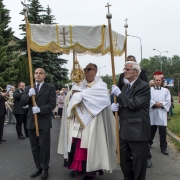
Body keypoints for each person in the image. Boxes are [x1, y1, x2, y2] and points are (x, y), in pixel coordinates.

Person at [57, 63, 117, 180]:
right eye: (85, 69)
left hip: (93, 121)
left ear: (95, 71)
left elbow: (102, 99)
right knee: (76, 145)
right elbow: (70, 98)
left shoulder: (100, 85)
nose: (86, 71)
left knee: (90, 147)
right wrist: (73, 94)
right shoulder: (79, 85)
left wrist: (79, 95)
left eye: (89, 69)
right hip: (78, 121)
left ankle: (90, 172)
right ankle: (77, 168)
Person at [111, 61, 151, 180]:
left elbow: (134, 104)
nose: (124, 71)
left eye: (127, 69)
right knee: (124, 161)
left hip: (138, 132)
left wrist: (119, 94)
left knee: (139, 164)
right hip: (124, 131)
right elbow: (123, 105)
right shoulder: (125, 88)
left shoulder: (143, 86)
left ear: (136, 72)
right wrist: (115, 109)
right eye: (124, 69)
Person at [21, 68, 56, 180]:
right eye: (36, 73)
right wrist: (28, 96)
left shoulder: (50, 88)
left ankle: (45, 168)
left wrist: (40, 109)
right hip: (32, 122)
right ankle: (38, 167)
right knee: (34, 147)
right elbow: (22, 102)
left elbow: (52, 104)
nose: (38, 75)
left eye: (40, 73)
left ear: (44, 76)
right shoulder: (29, 88)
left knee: (44, 146)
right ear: (34, 75)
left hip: (44, 122)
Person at [150, 76, 171, 155]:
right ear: (154, 81)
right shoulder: (149, 90)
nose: (158, 81)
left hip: (162, 113)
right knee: (151, 130)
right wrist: (154, 104)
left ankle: (163, 147)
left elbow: (168, 101)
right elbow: (148, 100)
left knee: (162, 132)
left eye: (159, 80)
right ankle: (149, 143)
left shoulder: (166, 91)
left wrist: (160, 105)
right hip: (152, 112)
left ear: (161, 81)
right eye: (156, 80)